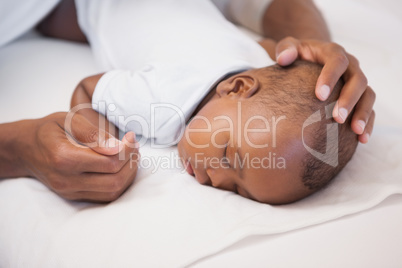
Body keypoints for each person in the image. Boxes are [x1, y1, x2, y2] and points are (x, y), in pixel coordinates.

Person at [0, 0, 376, 203]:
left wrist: (315, 69)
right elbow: (88, 90)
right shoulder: (165, 100)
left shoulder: (260, 63)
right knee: (59, 19)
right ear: (238, 88)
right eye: (229, 156)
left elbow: (290, 72)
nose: (216, 178)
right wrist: (104, 140)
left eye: (237, 190)